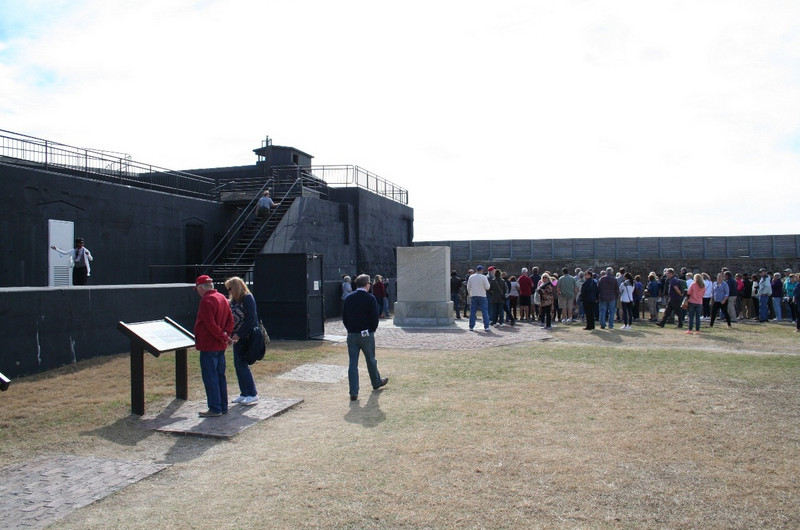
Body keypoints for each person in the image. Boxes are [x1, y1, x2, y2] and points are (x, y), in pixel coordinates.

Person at [342, 274, 388, 401]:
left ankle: (353, 391)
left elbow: (344, 317)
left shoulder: (349, 298)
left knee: (353, 363)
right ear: (367, 284)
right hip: (366, 333)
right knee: (371, 359)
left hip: (352, 334)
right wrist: (372, 329)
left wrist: (350, 329)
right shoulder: (370, 298)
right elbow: (374, 317)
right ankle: (376, 382)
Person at [193, 275, 234, 417]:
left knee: (210, 377)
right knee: (220, 375)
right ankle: (223, 406)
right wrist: (226, 335)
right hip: (219, 345)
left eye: (198, 289)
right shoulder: (222, 297)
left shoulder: (206, 301)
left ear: (201, 288)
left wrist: (223, 336)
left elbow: (210, 325)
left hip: (209, 345)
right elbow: (230, 320)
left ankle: (215, 407)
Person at [225, 276, 260, 406]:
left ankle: (252, 393)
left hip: (247, 336)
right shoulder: (234, 300)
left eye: (230, 288)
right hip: (237, 337)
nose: (229, 291)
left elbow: (251, 318)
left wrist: (239, 334)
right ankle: (244, 393)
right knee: (237, 364)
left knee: (242, 363)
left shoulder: (247, 298)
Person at [467, 265, 491, 331]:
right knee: (484, 312)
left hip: (474, 296)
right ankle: (486, 326)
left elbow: (468, 287)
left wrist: (470, 294)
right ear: (482, 270)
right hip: (482, 296)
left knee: (473, 311)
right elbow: (487, 287)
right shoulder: (483, 277)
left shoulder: (471, 277)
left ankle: (471, 326)